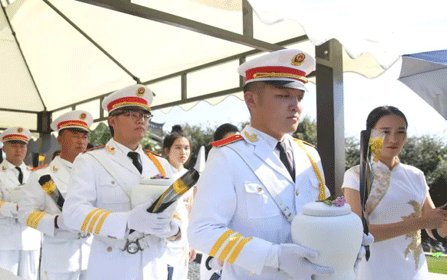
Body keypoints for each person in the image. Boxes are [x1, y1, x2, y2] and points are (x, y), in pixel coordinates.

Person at [188, 49, 337, 279]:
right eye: (284, 95)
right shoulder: (228, 156)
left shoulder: (309, 155)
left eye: (299, 97)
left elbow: (321, 213)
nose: (295, 105)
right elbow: (202, 231)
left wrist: (346, 232)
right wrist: (272, 256)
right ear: (251, 100)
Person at [62, 84, 183, 280]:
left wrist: (174, 230)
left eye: (144, 115)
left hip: (154, 266)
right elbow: (73, 213)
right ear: (112, 120)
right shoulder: (90, 161)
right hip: (113, 266)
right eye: (131, 114)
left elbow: (176, 209)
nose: (140, 120)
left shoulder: (160, 164)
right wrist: (126, 221)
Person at [342, 105, 447, 279]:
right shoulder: (356, 175)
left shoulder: (416, 175)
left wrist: (441, 218)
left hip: (415, 271)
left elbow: (435, 229)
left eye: (400, 132)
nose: (393, 139)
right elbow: (359, 233)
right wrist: (421, 223)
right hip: (373, 272)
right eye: (384, 131)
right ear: (370, 135)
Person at [18, 110, 94, 280]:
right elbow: (25, 214)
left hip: (92, 255)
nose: (81, 141)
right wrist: (55, 222)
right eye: (75, 135)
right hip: (59, 259)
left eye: (84, 136)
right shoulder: (43, 176)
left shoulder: (94, 174)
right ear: (60, 139)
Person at [199, 123, 240, 280]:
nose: (235, 147)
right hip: (219, 261)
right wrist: (217, 261)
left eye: (238, 141)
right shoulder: (211, 177)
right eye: (229, 143)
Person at [0, 127, 41, 279]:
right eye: (14, 145)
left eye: (22, 145)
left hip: (31, 239)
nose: (19, 149)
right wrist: (17, 208)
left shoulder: (38, 173)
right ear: (4, 147)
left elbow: (54, 201)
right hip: (5, 241)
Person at [162, 125, 196, 280]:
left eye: (186, 148)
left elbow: (191, 210)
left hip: (183, 240)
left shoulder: (191, 177)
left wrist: (192, 242)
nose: (183, 152)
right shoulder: (159, 174)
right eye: (178, 148)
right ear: (167, 150)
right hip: (163, 238)